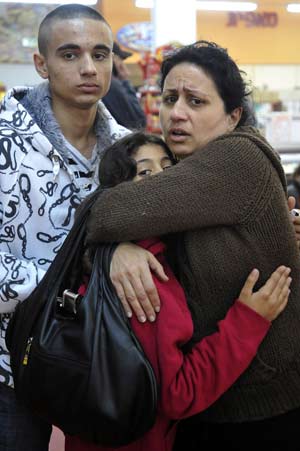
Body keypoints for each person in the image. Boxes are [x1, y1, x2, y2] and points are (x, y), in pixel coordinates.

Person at [84, 41, 300, 449]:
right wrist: (116, 251)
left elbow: (106, 214)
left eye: (196, 101)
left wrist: (109, 242)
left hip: (259, 409)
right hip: (211, 396)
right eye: (169, 98)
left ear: (233, 115)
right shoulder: (186, 166)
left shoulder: (238, 159)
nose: (176, 113)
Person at [66, 131, 291, 451]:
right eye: (145, 172)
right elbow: (178, 395)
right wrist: (248, 321)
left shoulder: (146, 255)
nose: (164, 182)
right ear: (119, 195)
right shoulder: (143, 280)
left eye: (170, 169)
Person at [0, 4, 143, 450]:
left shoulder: (128, 150)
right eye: (70, 54)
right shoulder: (5, 143)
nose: (88, 68)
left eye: (100, 54)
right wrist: (67, 285)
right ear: (41, 63)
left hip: (98, 360)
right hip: (9, 362)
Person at [102, 42, 147, 130]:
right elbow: (139, 121)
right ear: (113, 59)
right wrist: (125, 80)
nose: (123, 63)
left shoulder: (109, 83)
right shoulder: (111, 85)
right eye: (121, 59)